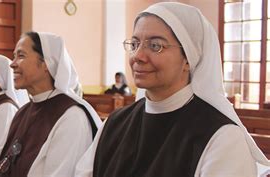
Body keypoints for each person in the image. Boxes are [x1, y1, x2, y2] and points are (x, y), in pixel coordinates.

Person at [75, 2, 270, 177]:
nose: (138, 56)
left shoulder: (222, 138)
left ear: (188, 59)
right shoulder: (115, 123)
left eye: (155, 46)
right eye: (134, 44)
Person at [0, 32, 102, 177]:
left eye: (21, 56)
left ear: (46, 63)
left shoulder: (72, 117)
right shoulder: (24, 111)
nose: (12, 64)